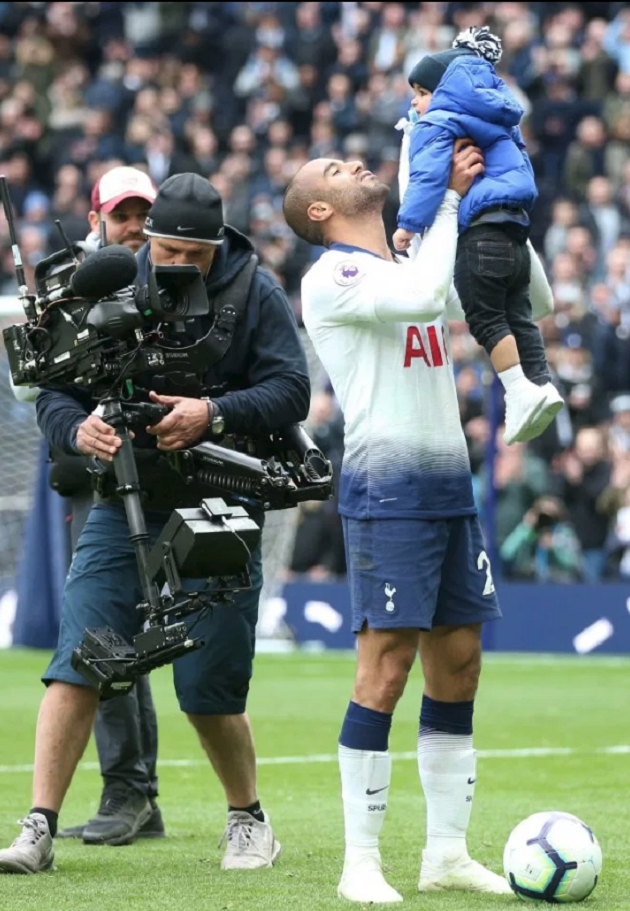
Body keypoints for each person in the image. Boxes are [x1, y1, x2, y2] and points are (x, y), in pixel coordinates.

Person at [0, 172, 310, 874]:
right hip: (122, 495)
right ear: (148, 241)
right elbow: (54, 388)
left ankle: (248, 818)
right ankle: (38, 826)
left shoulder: (254, 290)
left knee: (209, 684)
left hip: (221, 495)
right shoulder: (105, 281)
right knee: (78, 659)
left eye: (193, 256)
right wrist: (76, 429)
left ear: (217, 245)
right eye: (166, 251)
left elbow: (292, 389)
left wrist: (213, 413)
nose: (177, 265)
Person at [282, 145, 553, 902]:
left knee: (459, 663)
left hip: (449, 487)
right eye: (334, 170)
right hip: (389, 491)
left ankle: (447, 853)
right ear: (319, 211)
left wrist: (500, 213)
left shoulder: (408, 260)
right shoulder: (335, 275)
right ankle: (361, 861)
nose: (353, 163)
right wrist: (448, 202)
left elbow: (534, 298)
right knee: (386, 666)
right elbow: (426, 296)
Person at [10, 164, 166, 846]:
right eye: (122, 214)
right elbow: (40, 393)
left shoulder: (174, 279)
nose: (134, 226)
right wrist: (75, 425)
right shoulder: (67, 287)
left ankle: (134, 791)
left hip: (172, 471)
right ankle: (130, 791)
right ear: (98, 218)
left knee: (132, 635)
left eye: (143, 214)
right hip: (94, 481)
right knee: (105, 635)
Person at [392, 26, 562, 447]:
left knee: (486, 318)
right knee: (519, 316)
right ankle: (541, 385)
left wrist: (407, 224)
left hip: (479, 236)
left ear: (443, 90)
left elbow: (428, 178)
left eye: (421, 92)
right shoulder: (500, 120)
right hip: (516, 234)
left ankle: (519, 391)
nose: (414, 103)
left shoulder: (438, 122)